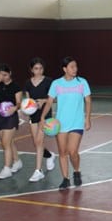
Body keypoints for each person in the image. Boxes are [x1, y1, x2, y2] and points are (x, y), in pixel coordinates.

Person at [39, 56, 92, 190]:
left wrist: (87, 118)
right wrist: (42, 117)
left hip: (77, 122)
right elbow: (49, 101)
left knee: (72, 151)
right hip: (60, 124)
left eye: (76, 66)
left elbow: (88, 101)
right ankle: (65, 179)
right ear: (65, 69)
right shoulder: (56, 84)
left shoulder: (82, 82)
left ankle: (76, 171)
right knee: (62, 152)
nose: (75, 69)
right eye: (72, 67)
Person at [0, 63, 23, 180]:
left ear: (10, 74)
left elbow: (19, 103)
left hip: (11, 117)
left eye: (5, 75)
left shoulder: (15, 86)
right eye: (1, 75)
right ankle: (17, 161)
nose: (4, 77)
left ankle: (7, 168)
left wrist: (14, 108)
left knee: (5, 143)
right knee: (9, 142)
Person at [24, 57, 56, 183]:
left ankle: (38, 171)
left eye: (41, 68)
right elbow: (28, 101)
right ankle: (50, 155)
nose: (39, 71)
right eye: (36, 68)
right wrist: (27, 107)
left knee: (38, 142)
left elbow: (54, 99)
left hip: (45, 116)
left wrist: (44, 101)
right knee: (37, 143)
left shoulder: (49, 81)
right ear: (31, 70)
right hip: (33, 116)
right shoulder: (27, 83)